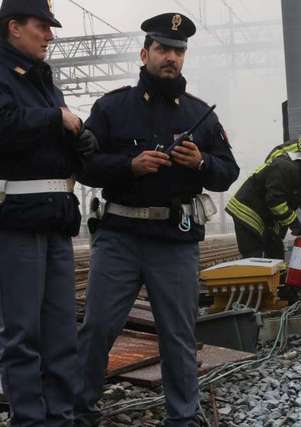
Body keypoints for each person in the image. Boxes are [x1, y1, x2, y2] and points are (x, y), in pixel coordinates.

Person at [74, 13, 239, 426]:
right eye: (163, 49)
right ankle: (79, 411)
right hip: (120, 237)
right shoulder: (112, 108)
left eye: (178, 51)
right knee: (97, 328)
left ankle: (183, 417)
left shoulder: (201, 115)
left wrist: (201, 161)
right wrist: (130, 166)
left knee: (179, 335)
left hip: (175, 239)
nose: (171, 58)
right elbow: (84, 166)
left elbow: (228, 172)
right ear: (144, 54)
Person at [0, 0, 98, 424]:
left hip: (56, 220)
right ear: (13, 27)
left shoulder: (43, 82)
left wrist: (81, 143)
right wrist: (57, 119)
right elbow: (5, 124)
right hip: (17, 218)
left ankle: (60, 416)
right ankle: (29, 419)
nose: (50, 35)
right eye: (42, 26)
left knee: (60, 332)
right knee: (22, 334)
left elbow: (49, 136)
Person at [226, 143, 301, 260]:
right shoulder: (285, 167)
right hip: (247, 211)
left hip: (265, 218)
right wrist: (295, 224)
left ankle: (276, 282)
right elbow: (275, 202)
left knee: (276, 256)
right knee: (255, 259)